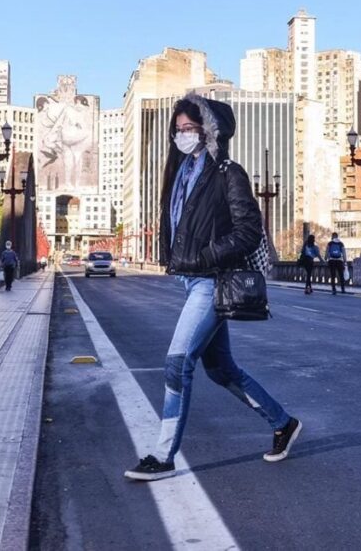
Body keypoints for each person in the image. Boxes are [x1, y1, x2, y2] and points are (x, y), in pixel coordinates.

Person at [123, 93, 302, 482]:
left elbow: (249, 231)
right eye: (179, 130)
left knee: (177, 363)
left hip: (211, 280)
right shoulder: (183, 172)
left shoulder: (227, 172)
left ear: (209, 131)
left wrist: (205, 258)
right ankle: (282, 422)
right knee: (220, 369)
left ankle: (163, 454)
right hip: (191, 282)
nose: (183, 135)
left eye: (191, 128)